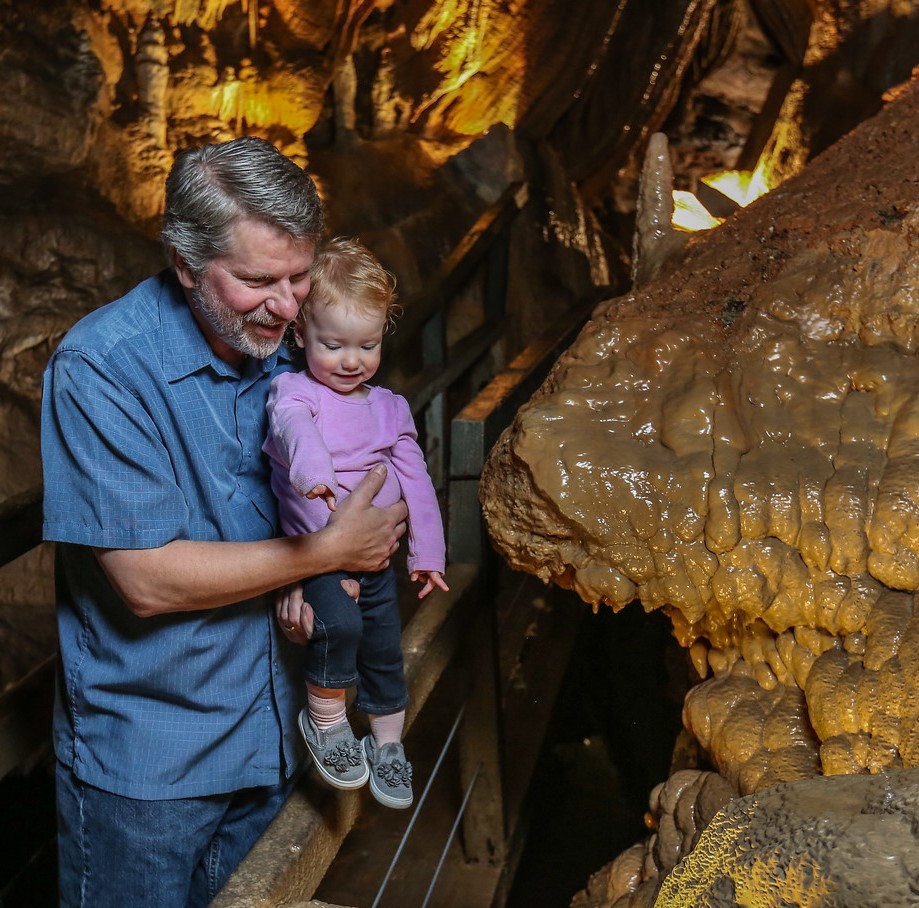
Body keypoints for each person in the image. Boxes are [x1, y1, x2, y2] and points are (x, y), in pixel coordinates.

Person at [40, 137, 408, 908]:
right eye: (255, 281)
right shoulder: (104, 368)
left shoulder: (290, 346)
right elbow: (145, 580)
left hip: (277, 733)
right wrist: (320, 551)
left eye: (299, 275)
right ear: (182, 262)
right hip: (153, 769)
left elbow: (368, 481)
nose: (285, 302)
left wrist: (337, 567)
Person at [263, 237, 448, 810]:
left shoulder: (389, 406)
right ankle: (326, 720)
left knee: (383, 647)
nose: (351, 360)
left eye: (366, 345)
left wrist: (428, 554)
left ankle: (389, 746)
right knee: (338, 625)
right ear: (300, 336)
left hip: (373, 554)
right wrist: (313, 470)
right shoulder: (294, 390)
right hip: (316, 547)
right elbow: (295, 431)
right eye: (333, 344)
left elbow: (415, 478)